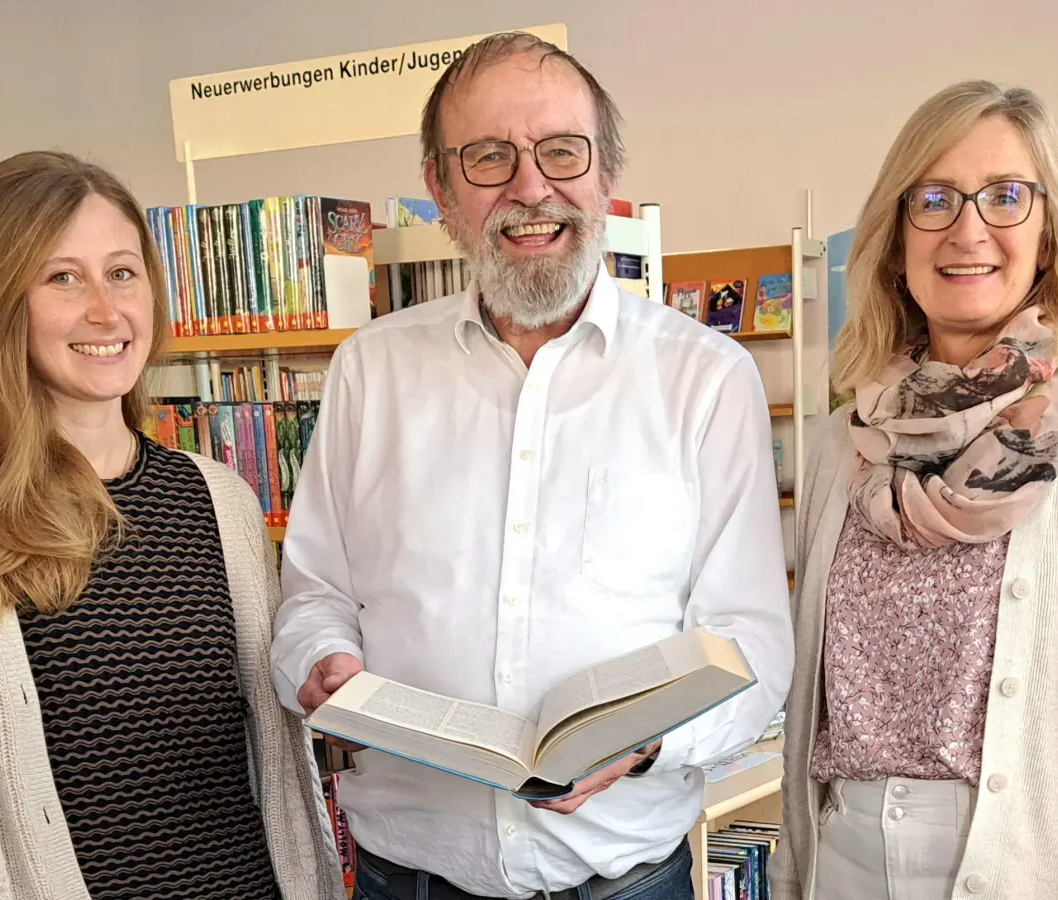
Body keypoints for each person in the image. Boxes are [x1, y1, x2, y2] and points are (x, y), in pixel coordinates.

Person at [271, 31, 794, 900]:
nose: (531, 187)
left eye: (561, 151)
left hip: (626, 880)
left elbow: (753, 644)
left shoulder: (704, 378)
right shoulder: (373, 369)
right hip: (408, 880)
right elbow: (315, 595)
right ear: (440, 188)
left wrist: (654, 744)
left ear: (605, 177)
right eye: (488, 157)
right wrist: (320, 661)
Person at [0, 150, 344, 900]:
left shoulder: (221, 500)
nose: (106, 313)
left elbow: (272, 757)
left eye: (122, 272)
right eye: (62, 278)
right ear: (3, 300)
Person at [768, 80, 1058, 900]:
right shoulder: (841, 447)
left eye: (1006, 197)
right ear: (896, 240)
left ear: (1047, 235)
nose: (968, 229)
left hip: (1025, 868)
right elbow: (807, 708)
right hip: (842, 858)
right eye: (933, 198)